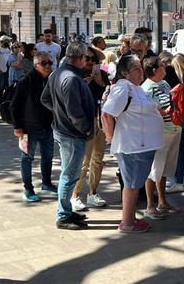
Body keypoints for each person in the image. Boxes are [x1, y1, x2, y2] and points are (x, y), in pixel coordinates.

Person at [102, 55, 164, 233]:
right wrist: (110, 138)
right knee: (131, 184)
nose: (141, 71)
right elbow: (107, 114)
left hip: (140, 146)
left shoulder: (134, 88)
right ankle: (127, 223)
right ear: (124, 72)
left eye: (140, 68)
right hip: (133, 146)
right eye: (136, 68)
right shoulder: (123, 88)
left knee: (134, 184)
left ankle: (130, 219)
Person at [40, 42, 96, 230]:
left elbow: (45, 99)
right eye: (86, 58)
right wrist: (87, 129)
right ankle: (63, 216)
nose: (87, 61)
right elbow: (75, 114)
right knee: (69, 175)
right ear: (79, 59)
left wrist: (59, 113)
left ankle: (66, 211)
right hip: (72, 134)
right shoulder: (70, 78)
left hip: (64, 131)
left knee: (69, 172)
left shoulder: (57, 73)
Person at [11, 53, 57, 202]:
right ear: (36, 65)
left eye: (50, 62)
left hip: (47, 127)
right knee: (27, 158)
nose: (48, 66)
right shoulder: (26, 81)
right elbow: (14, 105)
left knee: (48, 156)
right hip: (28, 129)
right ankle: (28, 189)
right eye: (45, 63)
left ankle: (47, 183)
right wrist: (17, 127)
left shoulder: (51, 80)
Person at [140, 56, 183, 219]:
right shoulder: (146, 89)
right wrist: (162, 112)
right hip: (159, 133)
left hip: (173, 130)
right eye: (162, 65)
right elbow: (145, 111)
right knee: (154, 170)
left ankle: (162, 201)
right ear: (154, 70)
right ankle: (150, 205)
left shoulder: (164, 84)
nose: (165, 67)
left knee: (165, 169)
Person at [71, 46, 109, 211]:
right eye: (87, 59)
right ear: (80, 59)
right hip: (85, 123)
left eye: (93, 59)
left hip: (100, 121)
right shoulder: (75, 76)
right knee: (84, 162)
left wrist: (100, 82)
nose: (91, 62)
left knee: (98, 160)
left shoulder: (102, 75)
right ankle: (75, 195)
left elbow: (109, 94)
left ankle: (93, 193)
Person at [166, 53, 184, 194]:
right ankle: (181, 181)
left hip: (179, 118)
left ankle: (178, 182)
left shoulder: (172, 75)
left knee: (179, 149)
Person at [0, 35, 12, 103]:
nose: (9, 42)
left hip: (8, 72)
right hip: (0, 72)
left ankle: (5, 101)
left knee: (7, 87)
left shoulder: (9, 49)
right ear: (2, 41)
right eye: (7, 41)